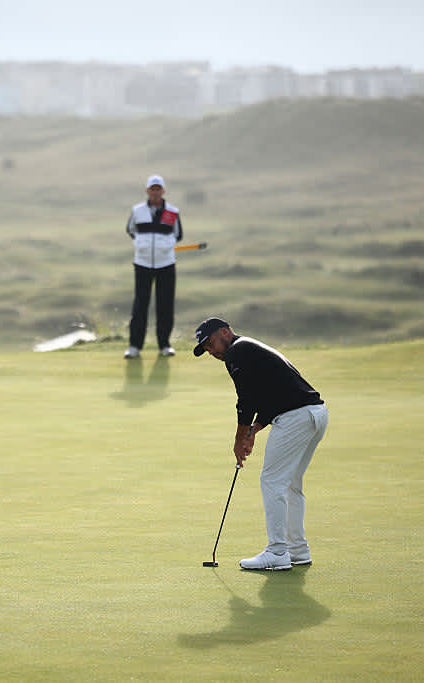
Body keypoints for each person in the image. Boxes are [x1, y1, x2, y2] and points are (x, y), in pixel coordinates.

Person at [193, 317, 329, 571]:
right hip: (315, 414)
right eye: (207, 349)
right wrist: (254, 430)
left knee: (272, 481)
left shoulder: (236, 352)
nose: (212, 352)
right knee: (289, 484)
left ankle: (278, 552)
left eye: (211, 344)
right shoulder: (248, 349)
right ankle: (297, 551)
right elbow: (270, 392)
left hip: (296, 417)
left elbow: (246, 399)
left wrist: (238, 439)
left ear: (225, 332)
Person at [124, 174, 183, 359]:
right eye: (152, 189)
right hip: (142, 263)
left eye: (158, 189)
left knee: (165, 304)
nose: (155, 192)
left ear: (163, 191)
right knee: (140, 304)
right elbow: (130, 229)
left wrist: (162, 247)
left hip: (166, 263)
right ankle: (134, 346)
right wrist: (142, 244)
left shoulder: (172, 212)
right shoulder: (137, 211)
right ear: (148, 191)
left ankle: (164, 345)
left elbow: (178, 234)